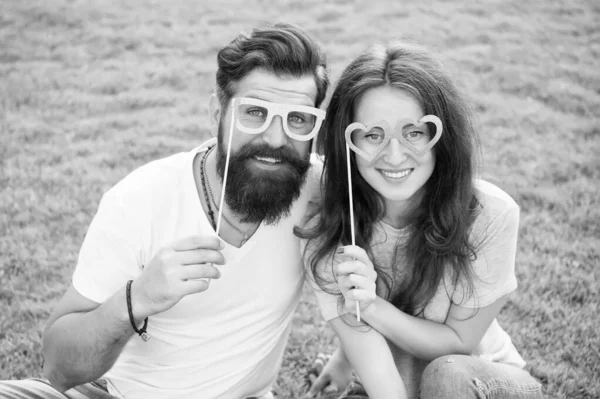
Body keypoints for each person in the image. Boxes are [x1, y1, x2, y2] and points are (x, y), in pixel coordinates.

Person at [0, 22, 328, 399]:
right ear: (216, 113)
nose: (275, 138)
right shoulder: (139, 199)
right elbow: (58, 367)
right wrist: (138, 298)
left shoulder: (320, 190)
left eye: (297, 119)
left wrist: (344, 362)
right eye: (254, 112)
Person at [298, 41, 544, 398]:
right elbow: (362, 334)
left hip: (481, 382)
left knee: (446, 375)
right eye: (371, 135)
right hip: (396, 386)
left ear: (441, 134)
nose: (394, 156)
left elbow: (458, 344)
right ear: (346, 142)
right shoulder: (332, 223)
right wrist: (344, 358)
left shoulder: (490, 214)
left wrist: (369, 305)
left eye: (414, 132)